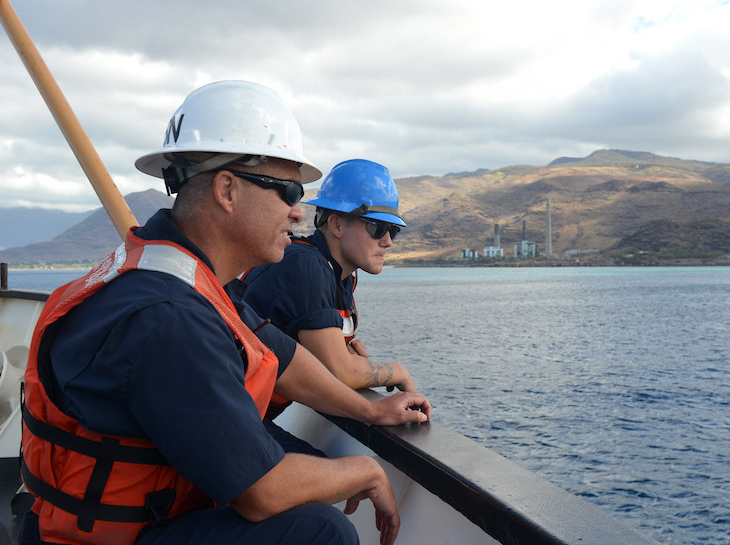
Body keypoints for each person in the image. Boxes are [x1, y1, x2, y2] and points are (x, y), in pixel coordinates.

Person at [19, 80, 431, 545]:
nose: (299, 213)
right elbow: (262, 492)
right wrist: (366, 470)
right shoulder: (168, 315)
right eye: (288, 191)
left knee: (311, 479)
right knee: (318, 531)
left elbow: (284, 359)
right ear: (227, 190)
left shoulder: (186, 275)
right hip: (99, 538)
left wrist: (369, 412)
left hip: (142, 512)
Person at [243, 159, 415, 410]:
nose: (388, 241)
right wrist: (399, 372)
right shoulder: (305, 266)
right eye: (378, 228)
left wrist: (346, 357)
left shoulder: (340, 276)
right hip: (237, 414)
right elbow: (340, 371)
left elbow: (329, 362)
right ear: (336, 225)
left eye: (393, 231)